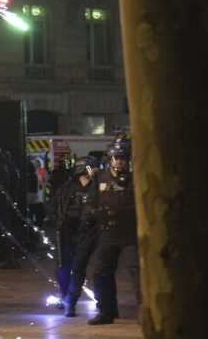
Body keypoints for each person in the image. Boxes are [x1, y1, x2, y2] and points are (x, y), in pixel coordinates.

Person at [87, 138, 139, 325]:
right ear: (110, 159)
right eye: (116, 158)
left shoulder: (135, 178)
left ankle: (144, 309)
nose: (119, 162)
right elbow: (93, 201)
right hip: (108, 233)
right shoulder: (100, 178)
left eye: (123, 158)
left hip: (129, 233)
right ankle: (106, 311)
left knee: (137, 273)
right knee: (100, 273)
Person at [49, 156, 98, 317]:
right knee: (63, 267)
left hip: (87, 234)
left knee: (78, 268)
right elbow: (54, 206)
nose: (96, 170)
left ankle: (71, 300)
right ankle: (64, 293)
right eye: (93, 167)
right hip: (66, 234)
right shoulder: (67, 188)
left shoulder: (96, 188)